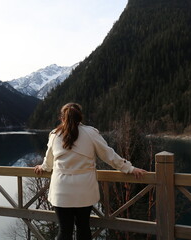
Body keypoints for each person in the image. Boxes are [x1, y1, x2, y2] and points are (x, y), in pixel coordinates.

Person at [34, 102, 147, 240]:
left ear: (62, 118)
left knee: (64, 231)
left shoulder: (54, 135)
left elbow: (48, 162)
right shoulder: (91, 133)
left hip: (61, 190)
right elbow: (109, 155)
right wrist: (129, 168)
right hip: (84, 190)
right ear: (80, 117)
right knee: (83, 228)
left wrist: (42, 168)